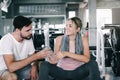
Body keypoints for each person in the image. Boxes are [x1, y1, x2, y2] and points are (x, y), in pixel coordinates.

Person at [0, 16, 51, 80]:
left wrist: (34, 67)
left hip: (23, 68)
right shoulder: (6, 40)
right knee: (12, 77)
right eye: (28, 30)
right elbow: (11, 67)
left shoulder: (28, 38)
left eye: (31, 29)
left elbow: (33, 59)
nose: (31, 32)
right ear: (17, 30)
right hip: (5, 70)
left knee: (44, 66)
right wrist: (36, 56)